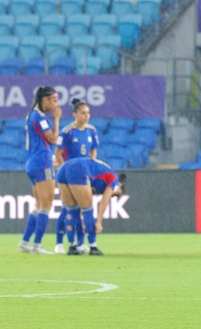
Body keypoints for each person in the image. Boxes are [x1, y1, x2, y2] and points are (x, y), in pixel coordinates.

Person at [53, 97, 99, 255]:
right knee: (69, 209)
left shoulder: (91, 130)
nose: (86, 116)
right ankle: (60, 242)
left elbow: (93, 150)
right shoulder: (67, 131)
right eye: (83, 113)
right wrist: (63, 168)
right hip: (70, 173)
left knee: (76, 210)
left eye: (88, 113)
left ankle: (78, 244)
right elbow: (58, 153)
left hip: (83, 172)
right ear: (75, 114)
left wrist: (91, 167)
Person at [18, 86, 61, 255]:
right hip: (42, 163)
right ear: (46, 100)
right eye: (54, 101)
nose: (55, 106)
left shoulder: (32, 115)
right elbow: (53, 139)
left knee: (38, 205)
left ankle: (24, 242)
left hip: (33, 163)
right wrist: (57, 119)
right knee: (47, 204)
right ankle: (37, 245)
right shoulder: (40, 117)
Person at [54, 158, 125, 256]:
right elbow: (105, 200)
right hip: (78, 169)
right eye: (116, 195)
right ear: (120, 185)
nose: (113, 196)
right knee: (87, 209)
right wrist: (99, 222)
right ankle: (93, 247)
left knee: (71, 209)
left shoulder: (103, 174)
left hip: (63, 168)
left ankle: (72, 247)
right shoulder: (115, 181)